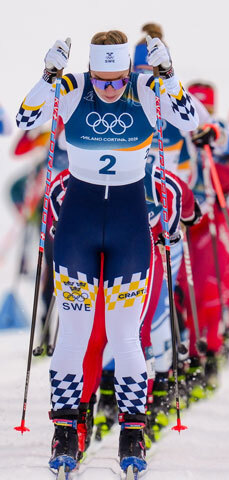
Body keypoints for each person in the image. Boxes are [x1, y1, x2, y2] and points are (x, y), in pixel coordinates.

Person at [16, 31, 199, 473]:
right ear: (90, 71)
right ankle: (65, 429)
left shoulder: (146, 87)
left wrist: (169, 74)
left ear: (128, 72)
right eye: (102, 80)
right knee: (74, 334)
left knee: (124, 335)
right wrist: (48, 76)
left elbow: (189, 118)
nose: (110, 89)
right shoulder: (74, 86)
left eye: (117, 80)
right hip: (77, 228)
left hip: (128, 227)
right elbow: (24, 120)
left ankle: (132, 433)